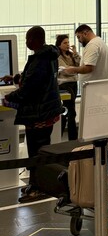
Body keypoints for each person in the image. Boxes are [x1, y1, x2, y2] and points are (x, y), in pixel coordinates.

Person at [2, 26, 62, 203]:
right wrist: (15, 78)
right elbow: (35, 80)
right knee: (38, 150)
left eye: (28, 39)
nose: (26, 42)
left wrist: (7, 98)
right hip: (46, 111)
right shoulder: (49, 56)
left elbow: (28, 90)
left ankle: (39, 188)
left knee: (37, 152)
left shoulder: (40, 60)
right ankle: (36, 184)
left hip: (39, 114)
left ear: (35, 39)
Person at [55, 34, 80, 140]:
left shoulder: (71, 55)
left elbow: (80, 65)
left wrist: (75, 53)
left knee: (67, 111)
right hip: (64, 85)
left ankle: (65, 136)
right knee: (71, 111)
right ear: (59, 45)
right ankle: (72, 138)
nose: (67, 44)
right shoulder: (58, 57)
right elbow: (65, 71)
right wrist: (75, 70)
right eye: (64, 43)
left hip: (73, 83)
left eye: (68, 42)